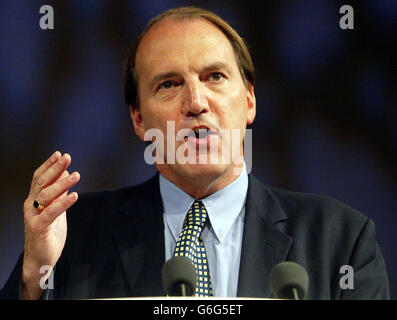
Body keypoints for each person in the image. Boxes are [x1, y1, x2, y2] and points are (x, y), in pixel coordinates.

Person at [0, 7, 389, 300]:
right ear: (138, 119)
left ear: (249, 100)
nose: (196, 102)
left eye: (214, 77)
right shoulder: (77, 235)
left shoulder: (340, 240)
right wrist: (36, 274)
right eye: (169, 84)